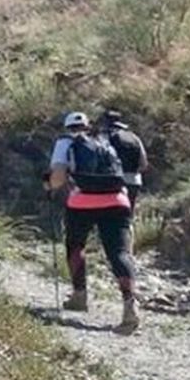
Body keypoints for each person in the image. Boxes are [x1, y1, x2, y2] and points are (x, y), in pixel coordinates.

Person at [46, 111, 140, 332]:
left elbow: (58, 177)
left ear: (67, 127)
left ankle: (80, 295)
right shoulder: (106, 138)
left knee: (76, 245)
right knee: (119, 253)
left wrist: (49, 186)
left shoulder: (65, 141)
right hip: (118, 199)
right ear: (88, 126)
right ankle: (130, 303)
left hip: (82, 201)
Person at [100, 109, 150, 208]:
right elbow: (144, 164)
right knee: (128, 216)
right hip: (134, 181)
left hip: (112, 182)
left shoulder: (104, 137)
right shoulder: (134, 137)